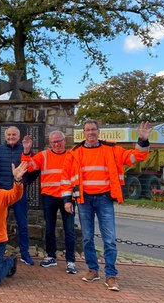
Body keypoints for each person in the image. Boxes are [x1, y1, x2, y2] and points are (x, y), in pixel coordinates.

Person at [61, 120, 152, 291]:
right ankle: (92, 270)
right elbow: (66, 178)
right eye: (87, 130)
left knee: (109, 239)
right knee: (87, 238)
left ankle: (111, 275)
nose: (90, 133)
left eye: (93, 129)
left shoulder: (112, 149)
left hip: (104, 199)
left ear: (98, 131)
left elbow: (134, 157)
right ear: (83, 133)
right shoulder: (74, 152)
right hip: (83, 200)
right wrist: (67, 200)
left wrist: (142, 141)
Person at [22, 131, 77, 274]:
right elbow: (29, 167)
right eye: (53, 142)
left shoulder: (72, 155)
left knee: (70, 230)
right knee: (49, 228)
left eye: (59, 141)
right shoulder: (44, 155)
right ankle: (51, 256)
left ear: (64, 141)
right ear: (50, 143)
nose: (57, 144)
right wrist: (27, 152)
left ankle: (70, 261)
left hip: (67, 197)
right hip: (49, 197)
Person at [0, 126, 34, 265]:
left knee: (22, 224)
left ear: (19, 135)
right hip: (2, 194)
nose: (11, 137)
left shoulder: (25, 150)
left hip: (18, 193)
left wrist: (24, 183)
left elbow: (33, 171)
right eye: (9, 134)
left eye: (14, 134)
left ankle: (25, 253)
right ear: (5, 136)